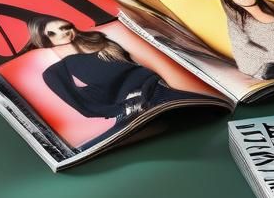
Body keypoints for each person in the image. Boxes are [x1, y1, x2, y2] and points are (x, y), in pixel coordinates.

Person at [27, 17, 207, 125]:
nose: (64, 33)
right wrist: (122, 108)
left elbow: (147, 65)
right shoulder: (55, 72)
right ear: (43, 40)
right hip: (132, 111)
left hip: (161, 90)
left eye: (65, 27)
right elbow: (85, 109)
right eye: (52, 33)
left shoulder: (103, 41)